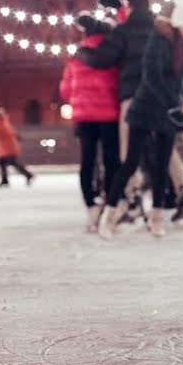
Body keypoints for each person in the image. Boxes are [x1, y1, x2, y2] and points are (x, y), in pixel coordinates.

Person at [76, 0, 183, 223]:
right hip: (160, 95)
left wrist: (83, 54)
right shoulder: (160, 28)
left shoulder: (124, 31)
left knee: (128, 151)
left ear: (129, 9)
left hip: (134, 97)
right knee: (164, 150)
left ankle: (133, 195)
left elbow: (102, 59)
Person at [59, 13, 121, 231]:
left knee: (87, 162)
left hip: (84, 118)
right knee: (111, 161)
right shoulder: (113, 54)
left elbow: (65, 90)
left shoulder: (76, 56)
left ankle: (90, 206)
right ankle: (110, 203)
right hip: (109, 116)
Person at [0, 104, 34, 188]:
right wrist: (16, 135)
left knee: (12, 162)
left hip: (8, 146)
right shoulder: (1, 120)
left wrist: (15, 136)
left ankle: (28, 175)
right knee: (3, 163)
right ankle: (5, 180)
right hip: (4, 146)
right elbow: (10, 130)